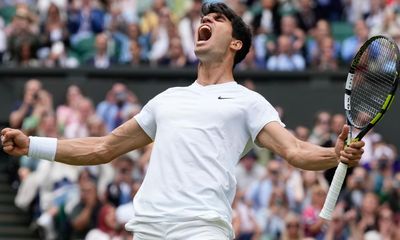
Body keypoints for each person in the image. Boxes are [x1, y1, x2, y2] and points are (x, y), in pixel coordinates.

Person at [1, 3, 365, 240]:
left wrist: (335, 155)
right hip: (147, 230)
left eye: (218, 19)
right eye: (204, 18)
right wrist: (32, 145)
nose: (205, 21)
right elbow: (103, 147)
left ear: (236, 44)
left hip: (201, 230)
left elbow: (295, 150)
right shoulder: (167, 100)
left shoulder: (249, 102)